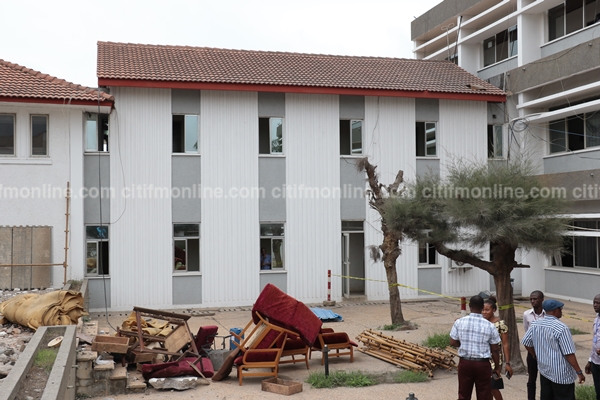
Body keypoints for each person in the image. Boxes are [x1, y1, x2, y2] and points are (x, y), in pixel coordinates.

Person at [521, 299, 585, 400]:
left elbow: (526, 342)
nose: (561, 311)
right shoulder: (561, 328)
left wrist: (534, 355)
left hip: (545, 371)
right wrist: (579, 372)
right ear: (555, 311)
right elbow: (569, 353)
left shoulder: (535, 325)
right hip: (562, 375)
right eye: (560, 309)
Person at [450, 295, 501, 400]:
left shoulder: (459, 322)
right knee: (484, 395)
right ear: (482, 307)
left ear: (469, 306)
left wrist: (463, 344)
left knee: (463, 394)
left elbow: (453, 342)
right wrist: (497, 367)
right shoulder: (490, 325)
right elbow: (495, 349)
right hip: (482, 364)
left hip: (465, 363)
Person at [483, 296, 513, 400]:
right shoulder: (481, 322)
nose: (484, 312)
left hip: (495, 358)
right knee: (485, 387)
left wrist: (507, 363)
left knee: (493, 386)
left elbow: (505, 344)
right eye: (482, 310)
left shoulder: (500, 324)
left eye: (487, 310)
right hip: (483, 356)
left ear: (494, 310)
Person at [523, 290, 545, 400]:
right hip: (532, 352)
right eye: (531, 299)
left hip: (546, 351)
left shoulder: (547, 314)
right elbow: (527, 331)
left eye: (535, 299)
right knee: (532, 379)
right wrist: (533, 353)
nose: (533, 301)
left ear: (542, 299)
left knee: (545, 379)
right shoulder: (527, 314)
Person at [585, 293, 600, 399]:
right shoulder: (597, 318)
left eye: (598, 303)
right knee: (598, 391)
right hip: (596, 361)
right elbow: (594, 342)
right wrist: (590, 361)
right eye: (594, 302)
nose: (595, 305)